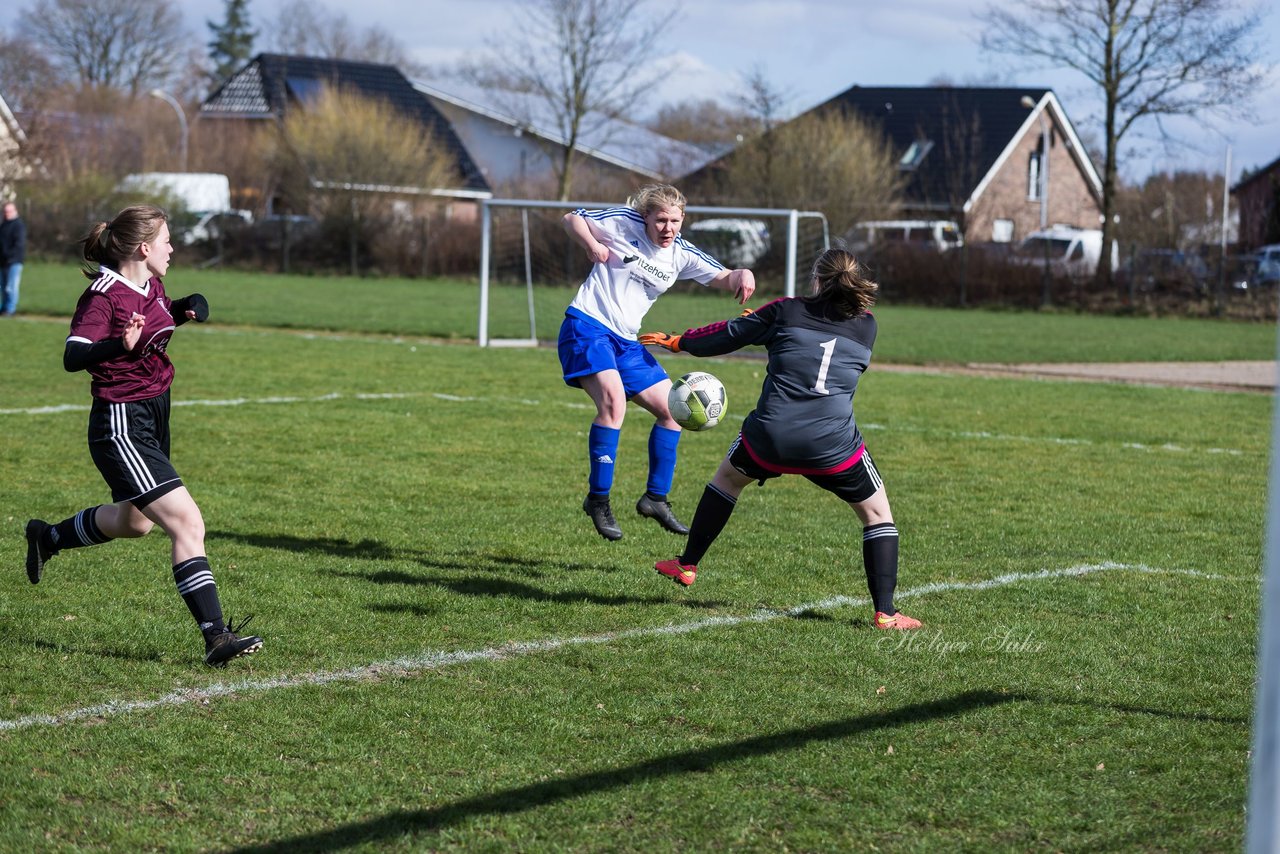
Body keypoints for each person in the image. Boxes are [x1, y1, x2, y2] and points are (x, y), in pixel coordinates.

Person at [23, 204, 264, 666]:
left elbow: (154, 316)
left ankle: (48, 537)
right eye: (167, 241)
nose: (173, 248)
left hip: (155, 413)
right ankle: (217, 638)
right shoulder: (103, 295)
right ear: (143, 247)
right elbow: (74, 355)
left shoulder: (150, 283)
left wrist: (184, 307)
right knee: (188, 523)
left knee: (135, 523)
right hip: (122, 422)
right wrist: (119, 345)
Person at [639, 247, 922, 630]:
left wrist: (680, 341)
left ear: (816, 280)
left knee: (726, 480)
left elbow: (730, 335)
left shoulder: (786, 310)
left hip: (769, 439)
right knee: (877, 516)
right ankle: (886, 613)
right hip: (831, 446)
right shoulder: (867, 325)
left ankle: (687, 564)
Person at [558, 184, 756, 541]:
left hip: (626, 341)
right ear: (645, 217)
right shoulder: (623, 223)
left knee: (673, 410)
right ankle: (598, 499)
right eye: (661, 220)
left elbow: (723, 276)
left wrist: (742, 274)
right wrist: (592, 244)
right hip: (587, 326)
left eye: (675, 221)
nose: (668, 228)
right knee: (613, 404)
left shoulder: (680, 253)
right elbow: (572, 219)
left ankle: (655, 498)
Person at [0, 201, 26, 316]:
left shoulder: (18, 225)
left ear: (15, 211)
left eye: (9, 211)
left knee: (11, 287)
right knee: (3, 287)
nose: (7, 214)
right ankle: (4, 308)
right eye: (5, 211)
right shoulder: (3, 225)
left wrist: (9, 256)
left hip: (14, 261)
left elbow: (19, 244)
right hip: (3, 262)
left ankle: (10, 309)